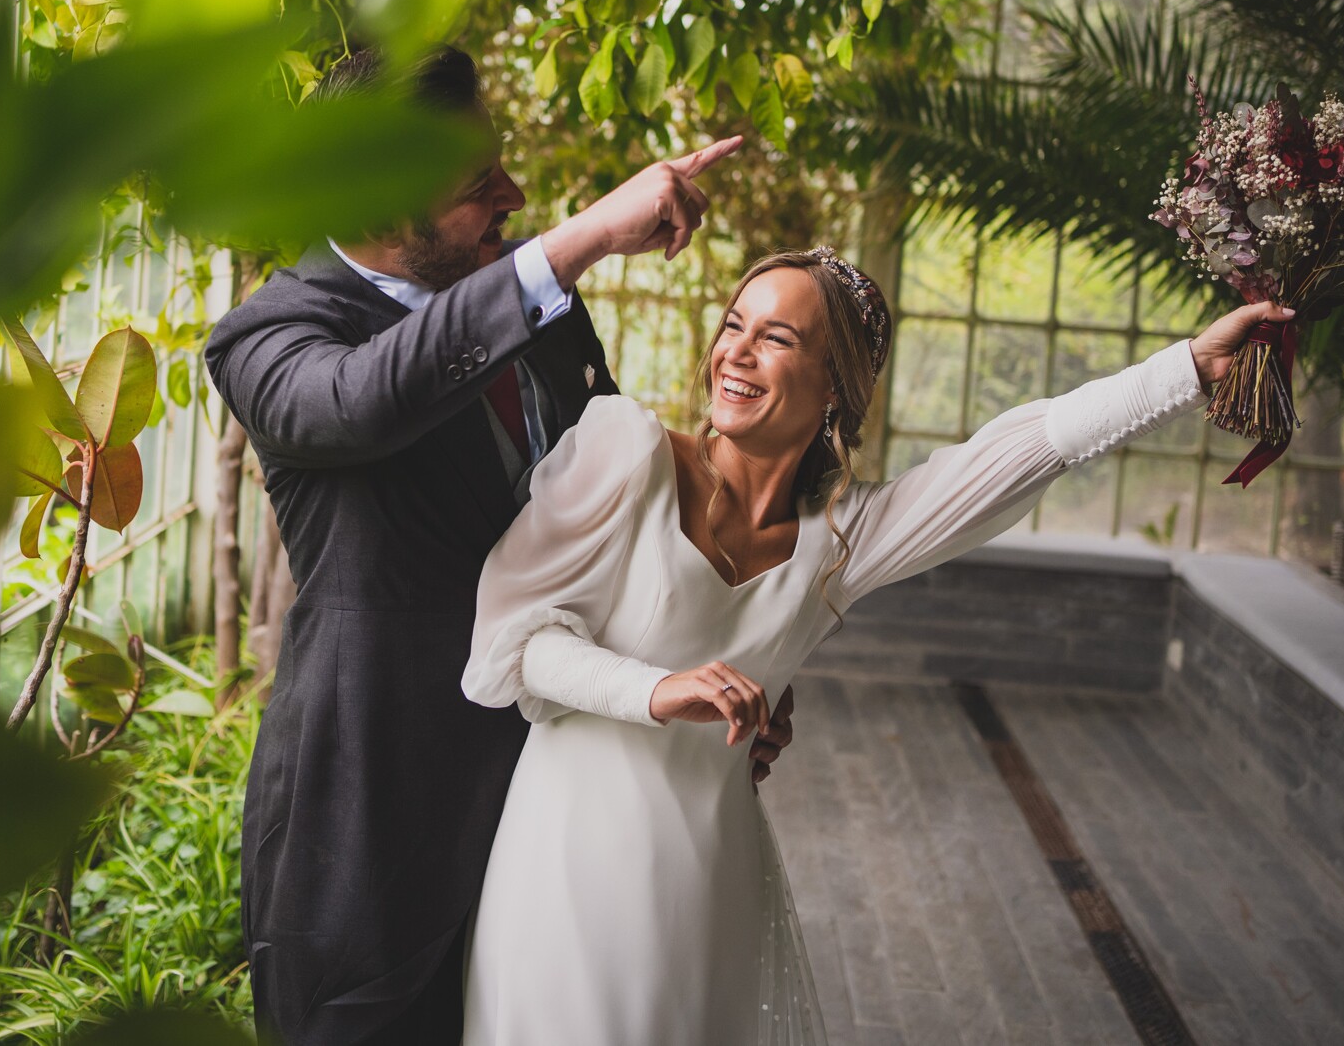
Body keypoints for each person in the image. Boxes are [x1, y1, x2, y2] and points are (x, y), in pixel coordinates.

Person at [462, 247, 1292, 1044]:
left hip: (707, 872)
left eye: (776, 337)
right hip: (567, 855)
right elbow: (511, 641)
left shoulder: (839, 543)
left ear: (833, 383)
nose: (735, 352)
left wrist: (1188, 368)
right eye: (734, 324)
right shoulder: (625, 452)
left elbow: (1023, 450)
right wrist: (656, 688)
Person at [203, 45, 789, 1045]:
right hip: (372, 834)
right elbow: (361, 402)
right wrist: (583, 238)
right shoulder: (271, 337)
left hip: (559, 811)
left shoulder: (539, 314)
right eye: (479, 186)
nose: (513, 196)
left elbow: (629, 524)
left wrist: (725, 674)